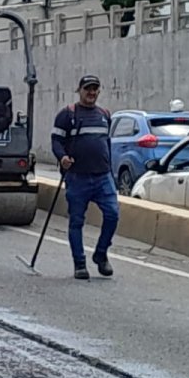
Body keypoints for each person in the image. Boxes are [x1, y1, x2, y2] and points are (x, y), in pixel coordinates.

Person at [50, 74, 120, 280]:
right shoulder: (67, 115)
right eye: (87, 88)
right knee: (76, 221)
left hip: (102, 177)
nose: (91, 93)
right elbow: (56, 141)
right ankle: (79, 264)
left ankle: (101, 254)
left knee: (113, 215)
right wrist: (62, 157)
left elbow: (106, 144)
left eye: (95, 89)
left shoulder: (104, 115)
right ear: (79, 90)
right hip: (77, 178)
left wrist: (111, 172)